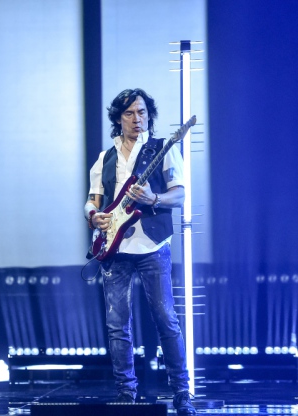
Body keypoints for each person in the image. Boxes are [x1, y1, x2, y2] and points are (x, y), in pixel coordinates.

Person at [84, 88, 196, 415]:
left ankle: (182, 393)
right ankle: (125, 393)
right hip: (115, 247)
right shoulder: (105, 158)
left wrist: (154, 199)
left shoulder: (163, 149)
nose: (138, 118)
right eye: (130, 113)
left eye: (143, 112)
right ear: (118, 118)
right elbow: (93, 199)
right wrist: (93, 215)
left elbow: (180, 195)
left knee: (166, 319)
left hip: (153, 246)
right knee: (117, 324)